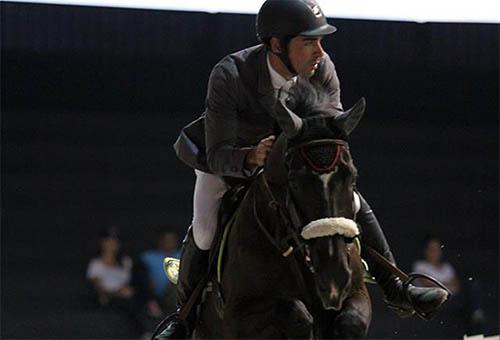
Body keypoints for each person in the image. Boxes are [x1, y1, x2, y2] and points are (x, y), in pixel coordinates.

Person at [162, 0, 450, 337]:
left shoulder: (322, 67)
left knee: (351, 201)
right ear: (275, 45)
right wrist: (253, 156)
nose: (319, 51)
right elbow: (218, 153)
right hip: (229, 161)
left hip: (292, 161)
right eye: (308, 42)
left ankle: (397, 286)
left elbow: (329, 133)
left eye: (320, 41)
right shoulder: (231, 74)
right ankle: (184, 318)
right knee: (206, 229)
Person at [86, 227, 150, 337]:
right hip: (107, 297)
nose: (111, 245)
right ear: (102, 243)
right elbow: (98, 288)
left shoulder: (125, 261)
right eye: (108, 241)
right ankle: (143, 333)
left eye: (114, 242)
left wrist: (126, 290)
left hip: (126, 295)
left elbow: (130, 281)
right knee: (127, 304)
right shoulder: (96, 264)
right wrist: (116, 292)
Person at [140, 230, 181, 315]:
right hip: (155, 294)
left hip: (177, 294)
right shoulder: (148, 257)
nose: (169, 242)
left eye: (172, 240)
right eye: (166, 239)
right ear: (160, 240)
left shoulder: (182, 255)